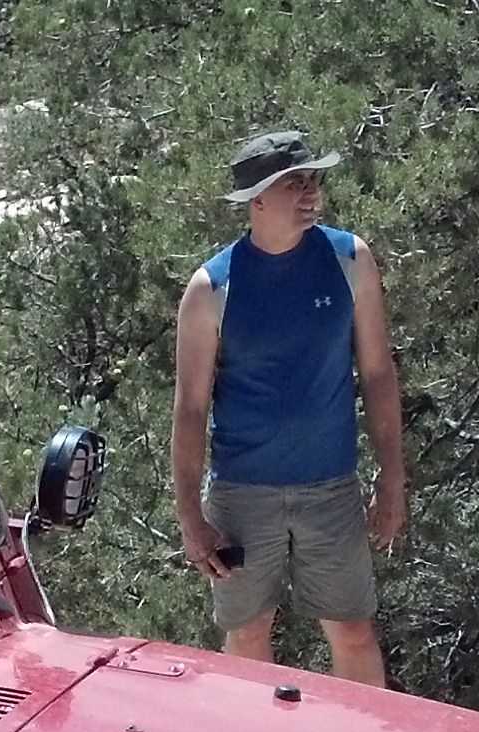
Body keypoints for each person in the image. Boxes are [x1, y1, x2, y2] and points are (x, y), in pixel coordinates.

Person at [171, 128, 404, 688]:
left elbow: (377, 373)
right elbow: (190, 410)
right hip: (242, 494)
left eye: (313, 180)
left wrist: (393, 477)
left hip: (331, 486)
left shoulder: (349, 259)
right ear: (256, 200)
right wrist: (190, 517)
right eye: (294, 183)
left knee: (353, 630)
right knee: (248, 630)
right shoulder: (211, 288)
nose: (310, 193)